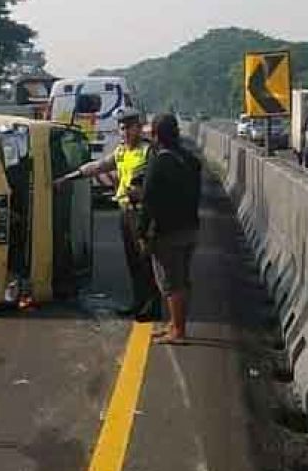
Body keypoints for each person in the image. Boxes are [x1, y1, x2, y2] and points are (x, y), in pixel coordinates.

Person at [54, 108, 160, 320]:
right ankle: (138, 303)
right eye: (122, 128)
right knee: (133, 262)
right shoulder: (121, 151)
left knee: (146, 263)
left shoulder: (149, 151)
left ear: (139, 128)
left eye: (129, 128)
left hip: (142, 214)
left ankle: (153, 307)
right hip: (125, 212)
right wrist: (68, 178)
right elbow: (98, 167)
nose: (125, 132)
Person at [139, 113, 201, 344]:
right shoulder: (190, 159)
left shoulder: (158, 163)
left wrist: (142, 232)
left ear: (157, 136)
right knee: (182, 280)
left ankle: (178, 331)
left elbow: (148, 200)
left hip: (167, 233)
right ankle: (175, 324)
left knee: (171, 283)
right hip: (190, 228)